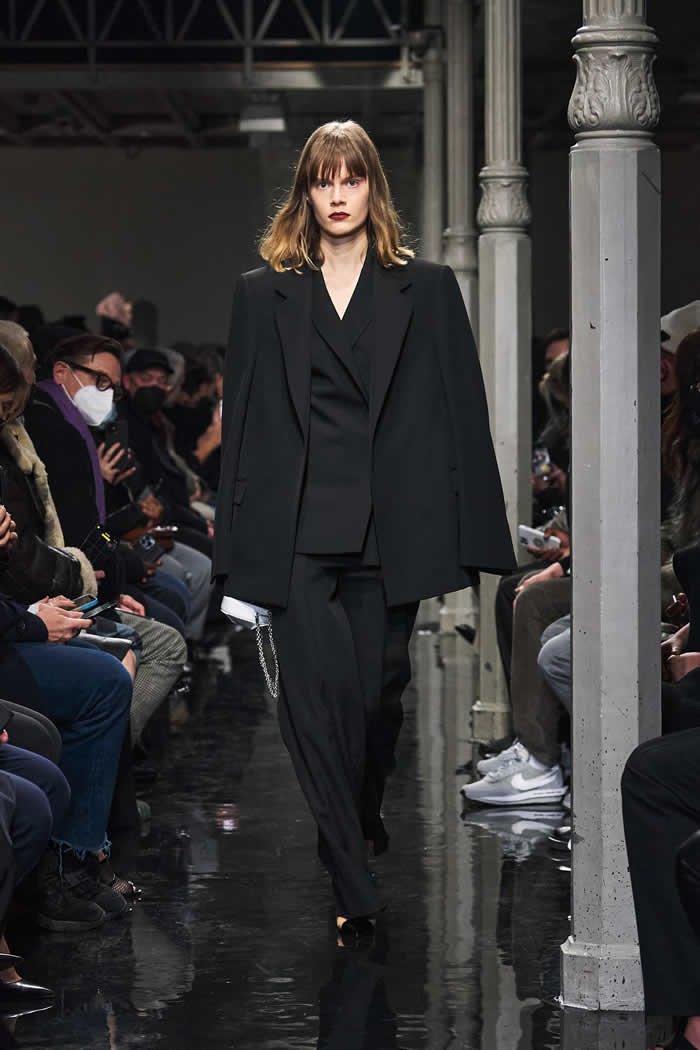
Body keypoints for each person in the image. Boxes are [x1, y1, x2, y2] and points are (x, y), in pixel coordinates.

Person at [214, 120, 515, 940]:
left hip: (391, 527)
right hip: (297, 528)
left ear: (373, 187)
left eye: (351, 179)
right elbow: (242, 424)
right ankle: (352, 875)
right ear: (305, 192)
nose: (338, 195)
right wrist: (232, 554)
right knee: (315, 703)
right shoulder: (263, 292)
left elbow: (462, 411)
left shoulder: (426, 287)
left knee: (378, 696)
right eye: (324, 180)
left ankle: (355, 812)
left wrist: (477, 535)